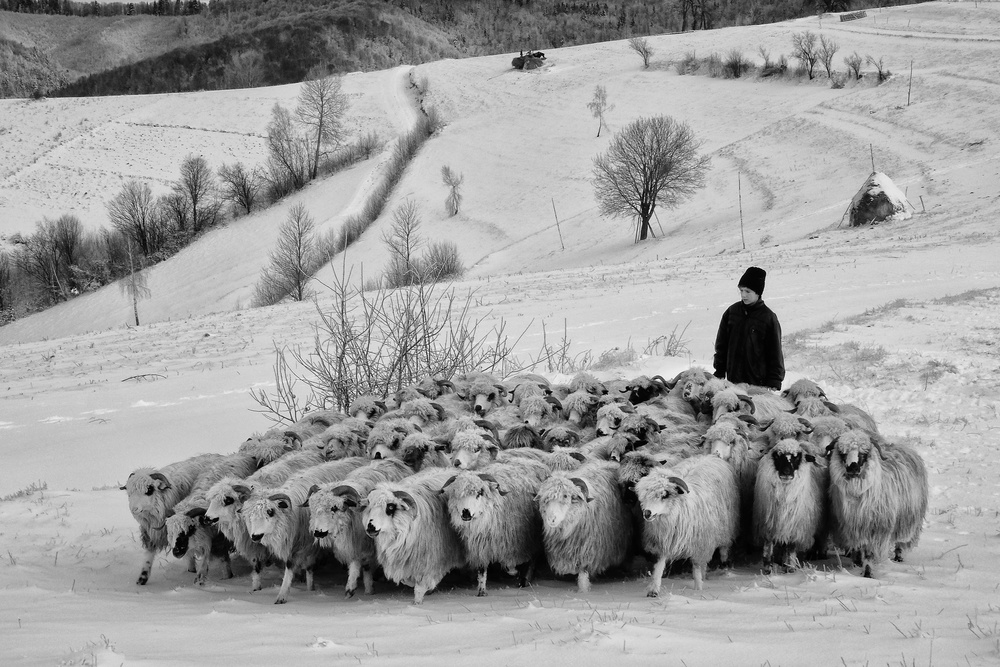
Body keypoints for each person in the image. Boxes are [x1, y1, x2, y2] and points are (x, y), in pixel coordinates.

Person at [713, 266, 785, 391]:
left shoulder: (768, 318)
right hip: (733, 382)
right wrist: (719, 371)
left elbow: (775, 352)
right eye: (741, 290)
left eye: (748, 291)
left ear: (758, 292)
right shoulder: (731, 312)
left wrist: (774, 381)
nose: (743, 295)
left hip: (757, 384)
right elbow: (721, 346)